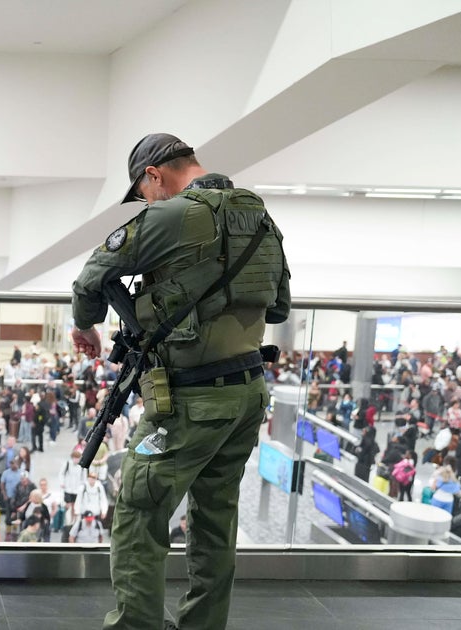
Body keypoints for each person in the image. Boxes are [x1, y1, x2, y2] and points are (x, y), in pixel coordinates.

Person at [71, 133, 291, 630]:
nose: (146, 200)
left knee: (138, 511)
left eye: (142, 190)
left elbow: (90, 280)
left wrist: (85, 325)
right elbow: (278, 305)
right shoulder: (259, 217)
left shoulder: (171, 216)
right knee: (216, 518)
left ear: (154, 174)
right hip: (248, 392)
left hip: (189, 398)